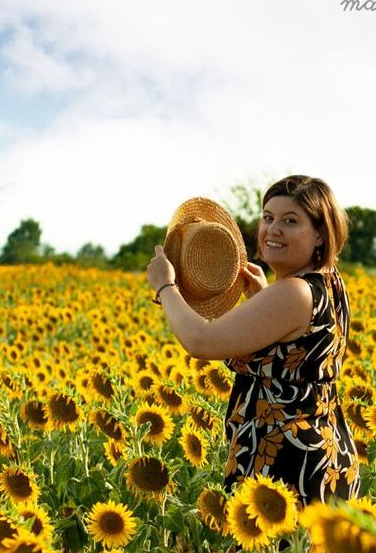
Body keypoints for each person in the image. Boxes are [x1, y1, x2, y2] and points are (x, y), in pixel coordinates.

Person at [145, 175, 360, 508]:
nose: (273, 229)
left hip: (287, 466)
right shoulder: (327, 283)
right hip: (320, 453)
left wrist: (166, 287)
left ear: (320, 233)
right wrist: (262, 297)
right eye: (268, 217)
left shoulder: (293, 293)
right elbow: (298, 354)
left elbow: (201, 340)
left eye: (290, 221)